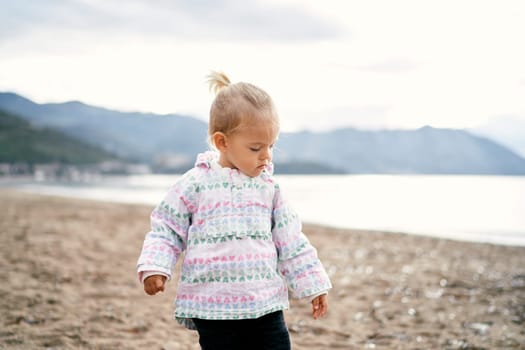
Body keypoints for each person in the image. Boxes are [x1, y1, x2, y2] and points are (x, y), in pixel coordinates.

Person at [136, 71, 332, 350]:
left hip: (265, 303)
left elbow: (291, 241)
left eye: (271, 146)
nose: (266, 156)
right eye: (255, 148)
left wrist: (313, 283)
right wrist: (156, 266)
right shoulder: (195, 184)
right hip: (212, 306)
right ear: (222, 142)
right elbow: (166, 229)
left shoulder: (269, 188)